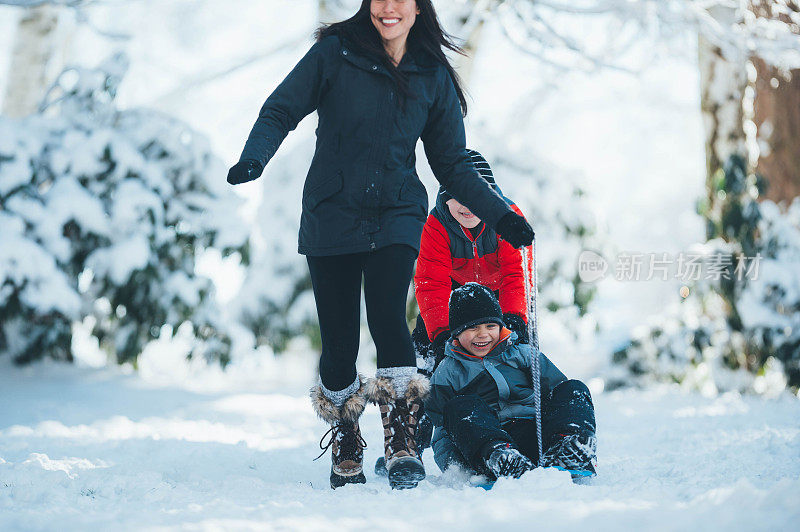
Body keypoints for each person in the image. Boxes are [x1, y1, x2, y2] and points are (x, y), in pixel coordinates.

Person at [227, 0, 534, 490]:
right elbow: (282, 107)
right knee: (340, 340)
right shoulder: (334, 53)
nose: (389, 8)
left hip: (396, 211)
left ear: (417, 8)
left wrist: (500, 216)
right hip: (332, 212)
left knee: (388, 315)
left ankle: (402, 437)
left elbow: (452, 162)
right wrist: (254, 157)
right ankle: (347, 433)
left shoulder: (431, 74)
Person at [424, 283, 597, 481]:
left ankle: (568, 447)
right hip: (486, 441)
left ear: (501, 326)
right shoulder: (448, 371)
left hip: (538, 436)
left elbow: (557, 392)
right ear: (456, 333)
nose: (483, 334)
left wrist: (565, 423)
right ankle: (501, 458)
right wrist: (456, 467)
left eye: (491, 326)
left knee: (573, 389)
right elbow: (443, 429)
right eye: (472, 328)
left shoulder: (522, 353)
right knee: (459, 407)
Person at [413, 148, 533, 378]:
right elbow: (431, 282)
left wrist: (513, 320)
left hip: (500, 293)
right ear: (446, 199)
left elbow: (516, 275)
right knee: (424, 331)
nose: (468, 207)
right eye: (459, 196)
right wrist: (441, 335)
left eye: (477, 198)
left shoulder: (508, 218)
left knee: (516, 335)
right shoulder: (436, 226)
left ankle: (519, 381)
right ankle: (427, 385)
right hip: (456, 292)